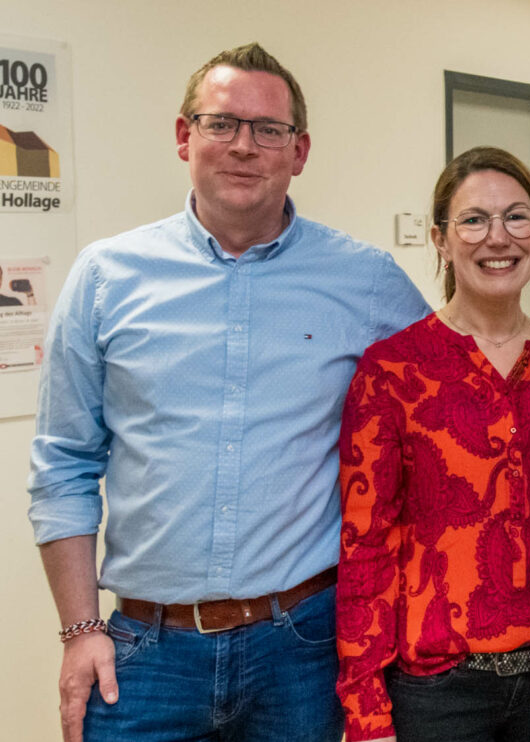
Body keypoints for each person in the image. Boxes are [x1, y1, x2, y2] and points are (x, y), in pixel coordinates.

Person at [28, 43, 430, 742]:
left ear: (299, 150)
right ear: (185, 136)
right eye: (222, 124)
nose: (244, 146)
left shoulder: (366, 281)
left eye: (268, 130)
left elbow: (448, 398)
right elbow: (64, 461)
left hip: (301, 649)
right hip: (144, 655)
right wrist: (80, 629)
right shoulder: (105, 278)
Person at [336, 146, 530, 742]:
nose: (498, 238)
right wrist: (368, 714)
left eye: (517, 217)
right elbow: (366, 544)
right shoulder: (392, 370)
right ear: (441, 240)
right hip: (438, 692)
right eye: (473, 220)